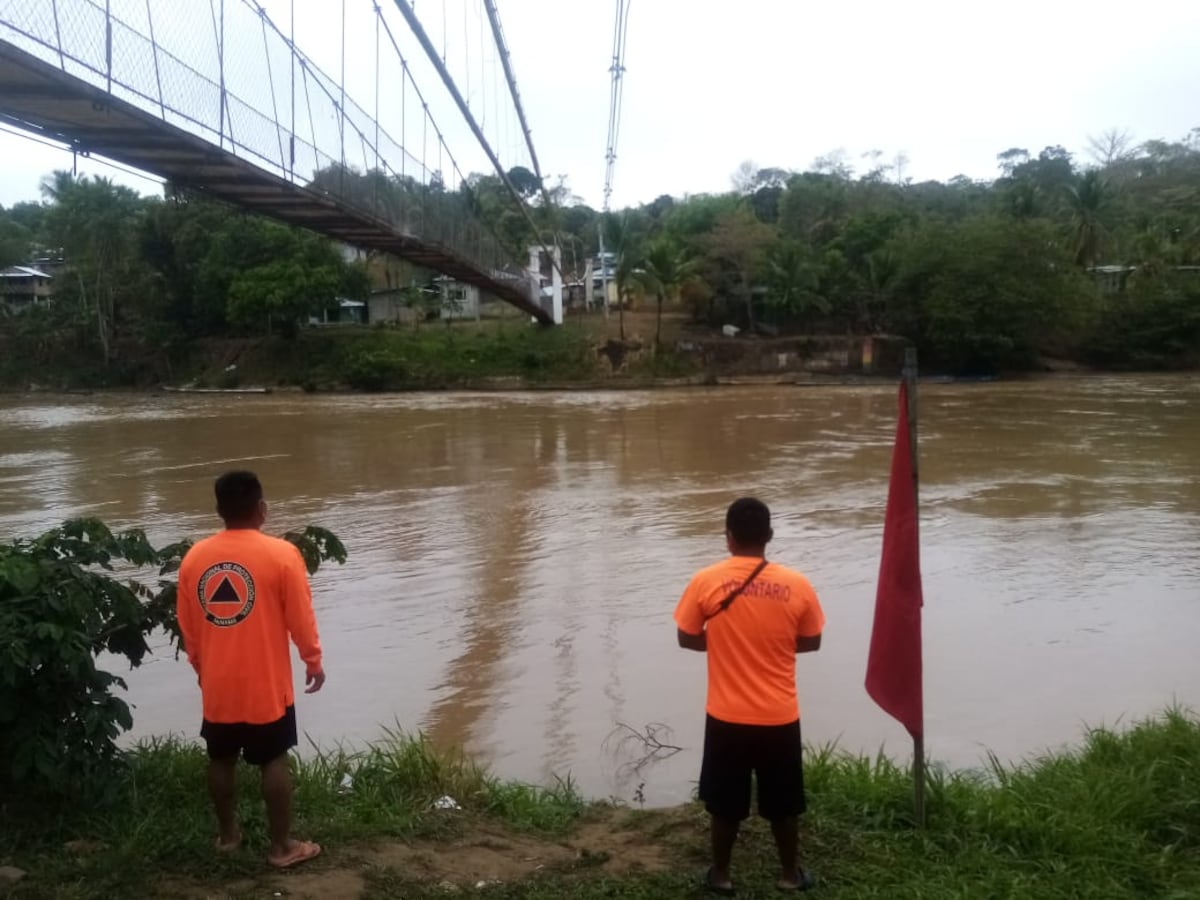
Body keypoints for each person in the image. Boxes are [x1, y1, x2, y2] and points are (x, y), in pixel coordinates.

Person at [674, 497, 825, 895]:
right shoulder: (797, 584)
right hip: (779, 716)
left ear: (728, 538)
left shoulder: (705, 580)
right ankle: (790, 875)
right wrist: (768, 643)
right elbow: (811, 641)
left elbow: (687, 637)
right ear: (769, 537)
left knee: (724, 804)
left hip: (726, 716)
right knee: (784, 803)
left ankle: (721, 875)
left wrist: (726, 643)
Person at [177, 470, 326, 868]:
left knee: (220, 758)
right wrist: (313, 659)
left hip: (219, 684)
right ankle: (281, 847)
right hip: (266, 687)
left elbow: (188, 625)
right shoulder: (281, 555)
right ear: (261, 509)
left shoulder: (195, 558)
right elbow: (301, 617)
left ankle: (228, 836)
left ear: (219, 510)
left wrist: (200, 668)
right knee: (274, 759)